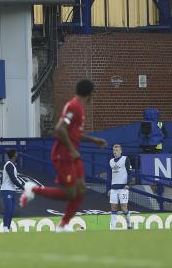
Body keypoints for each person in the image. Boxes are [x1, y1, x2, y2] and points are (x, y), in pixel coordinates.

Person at [20, 79, 107, 232]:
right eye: (93, 93)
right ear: (89, 94)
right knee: (70, 193)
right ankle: (33, 189)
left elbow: (74, 134)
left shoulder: (78, 107)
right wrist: (71, 149)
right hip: (64, 155)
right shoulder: (74, 107)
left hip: (73, 155)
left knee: (81, 190)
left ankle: (64, 224)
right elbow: (60, 129)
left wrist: (93, 140)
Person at [108, 145, 132, 230]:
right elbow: (110, 176)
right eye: (114, 150)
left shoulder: (125, 159)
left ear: (121, 151)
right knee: (113, 207)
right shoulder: (111, 161)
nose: (115, 152)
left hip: (123, 188)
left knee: (123, 207)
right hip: (114, 188)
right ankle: (113, 228)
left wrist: (128, 184)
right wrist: (110, 188)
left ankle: (129, 224)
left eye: (117, 150)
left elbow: (130, 172)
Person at [0, 149, 25, 232]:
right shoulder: (9, 165)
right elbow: (13, 179)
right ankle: (5, 228)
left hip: (11, 190)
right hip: (7, 190)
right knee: (8, 209)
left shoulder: (12, 165)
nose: (17, 155)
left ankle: (7, 227)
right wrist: (23, 187)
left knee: (11, 211)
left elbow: (3, 178)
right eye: (17, 153)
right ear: (14, 155)